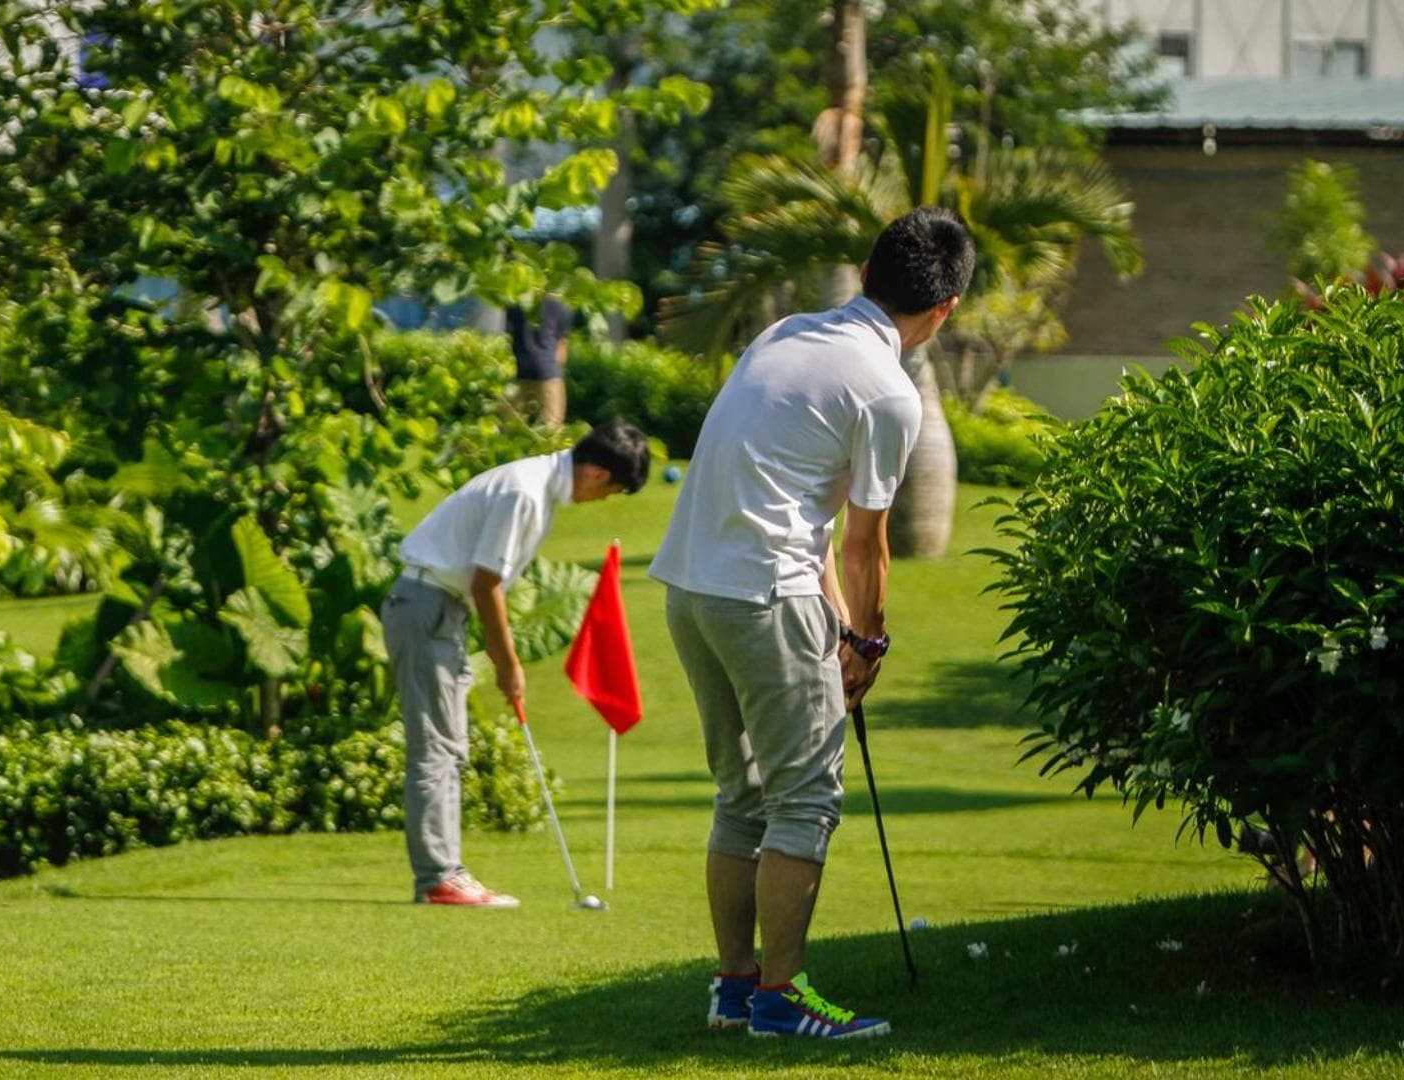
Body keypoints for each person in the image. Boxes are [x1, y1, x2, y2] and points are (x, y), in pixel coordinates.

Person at [648, 207, 974, 1037]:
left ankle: (733, 986)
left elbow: (806, 506)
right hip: (765, 595)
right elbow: (867, 546)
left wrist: (839, 625)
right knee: (803, 800)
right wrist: (866, 641)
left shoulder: (788, 333)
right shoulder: (888, 391)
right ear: (944, 311)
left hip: (692, 588)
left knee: (741, 794)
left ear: (866, 278)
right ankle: (781, 999)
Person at [385, 419, 650, 906]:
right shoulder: (525, 493)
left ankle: (444, 873)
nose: (603, 500)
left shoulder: (535, 486)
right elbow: (487, 582)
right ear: (596, 474)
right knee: (437, 747)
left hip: (438, 607)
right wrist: (508, 662)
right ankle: (439, 878)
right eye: (611, 491)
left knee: (448, 744)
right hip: (427, 605)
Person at [506, 296, 573, 426]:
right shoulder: (562, 307)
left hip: (516, 373)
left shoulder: (515, 303)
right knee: (551, 433)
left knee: (511, 431)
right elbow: (561, 352)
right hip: (548, 374)